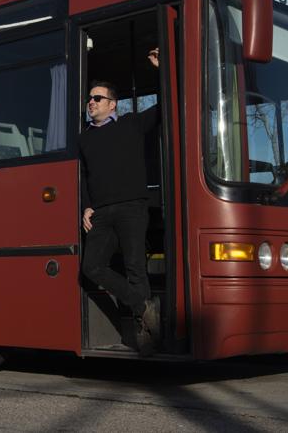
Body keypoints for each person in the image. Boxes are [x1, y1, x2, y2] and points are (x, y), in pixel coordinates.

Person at [79, 47, 161, 354]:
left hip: (132, 207)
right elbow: (83, 175)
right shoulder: (84, 137)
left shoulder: (131, 125)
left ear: (112, 103)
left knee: (135, 267)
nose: (91, 102)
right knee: (92, 266)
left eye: (97, 98)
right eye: (89, 98)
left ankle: (147, 337)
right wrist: (85, 205)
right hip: (99, 212)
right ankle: (143, 305)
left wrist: (160, 69)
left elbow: (170, 104)